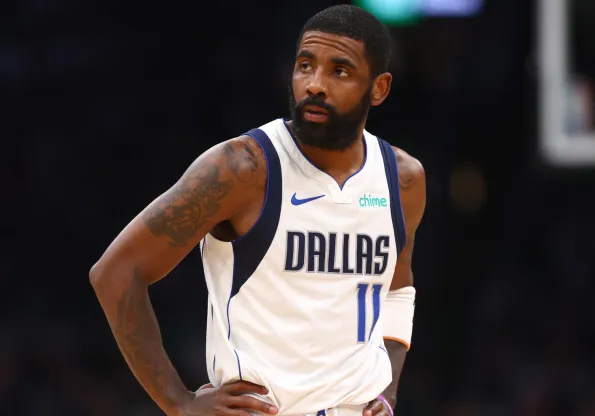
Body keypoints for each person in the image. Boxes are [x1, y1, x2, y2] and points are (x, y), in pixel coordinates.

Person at [89, 4, 426, 416]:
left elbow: (397, 288)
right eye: (305, 65)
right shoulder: (243, 169)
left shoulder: (403, 179)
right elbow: (115, 273)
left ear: (379, 88)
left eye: (339, 71)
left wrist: (388, 389)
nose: (315, 85)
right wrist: (178, 402)